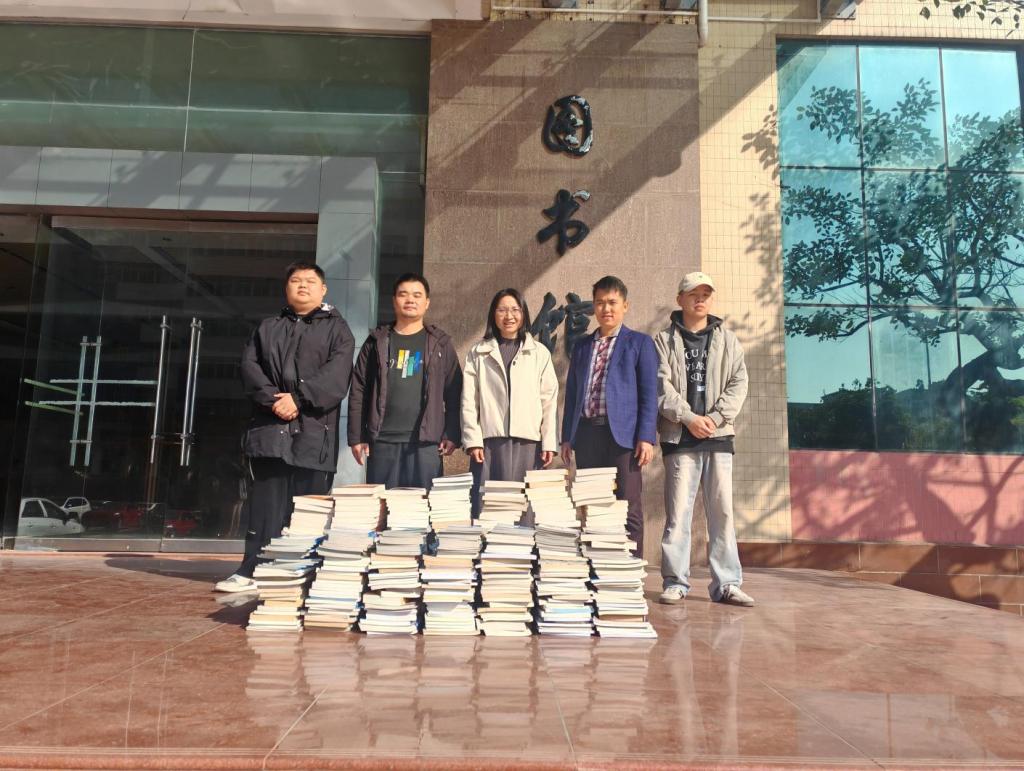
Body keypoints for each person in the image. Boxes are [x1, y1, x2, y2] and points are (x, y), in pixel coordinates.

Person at [215, 262, 355, 593]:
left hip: (314, 435)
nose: (302, 286)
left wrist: (299, 399)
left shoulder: (338, 330)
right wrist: (274, 401)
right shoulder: (267, 327)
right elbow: (249, 368)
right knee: (265, 508)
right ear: (286, 288)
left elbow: (336, 377)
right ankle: (252, 570)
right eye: (295, 280)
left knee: (309, 511)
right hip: (270, 431)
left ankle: (302, 576)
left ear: (323, 290)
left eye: (310, 281)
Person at [655, 271, 754, 607]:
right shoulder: (663, 341)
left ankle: (727, 583)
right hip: (679, 438)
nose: (699, 299)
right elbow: (660, 385)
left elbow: (739, 383)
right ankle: (675, 581)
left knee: (722, 513)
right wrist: (689, 418)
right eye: (692, 294)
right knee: (678, 516)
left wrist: (714, 418)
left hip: (718, 436)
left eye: (705, 294)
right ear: (680, 299)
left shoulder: (729, 340)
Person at [560, 275, 658, 558]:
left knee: (628, 507)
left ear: (625, 305)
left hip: (624, 439)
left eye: (612, 302)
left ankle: (630, 572)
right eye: (600, 303)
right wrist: (567, 437)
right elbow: (573, 395)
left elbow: (649, 394)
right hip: (588, 435)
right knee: (593, 506)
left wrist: (646, 437)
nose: (606, 309)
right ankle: (597, 570)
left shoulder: (639, 343)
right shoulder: (582, 346)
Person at [348, 272, 462, 489]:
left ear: (427, 303)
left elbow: (454, 392)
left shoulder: (440, 343)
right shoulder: (376, 342)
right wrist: (357, 436)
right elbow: (358, 390)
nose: (410, 300)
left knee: (424, 506)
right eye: (403, 294)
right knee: (383, 506)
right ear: (394, 300)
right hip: (383, 441)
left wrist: (452, 433)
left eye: (417, 295)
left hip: (426, 444)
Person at [462, 289, 558, 521]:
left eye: (515, 310)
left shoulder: (539, 353)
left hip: (529, 444)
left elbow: (549, 400)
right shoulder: (478, 353)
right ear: (493, 315)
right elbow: (469, 400)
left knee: (525, 510)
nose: (509, 316)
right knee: (488, 509)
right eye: (502, 310)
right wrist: (473, 440)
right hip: (489, 445)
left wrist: (549, 442)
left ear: (524, 314)